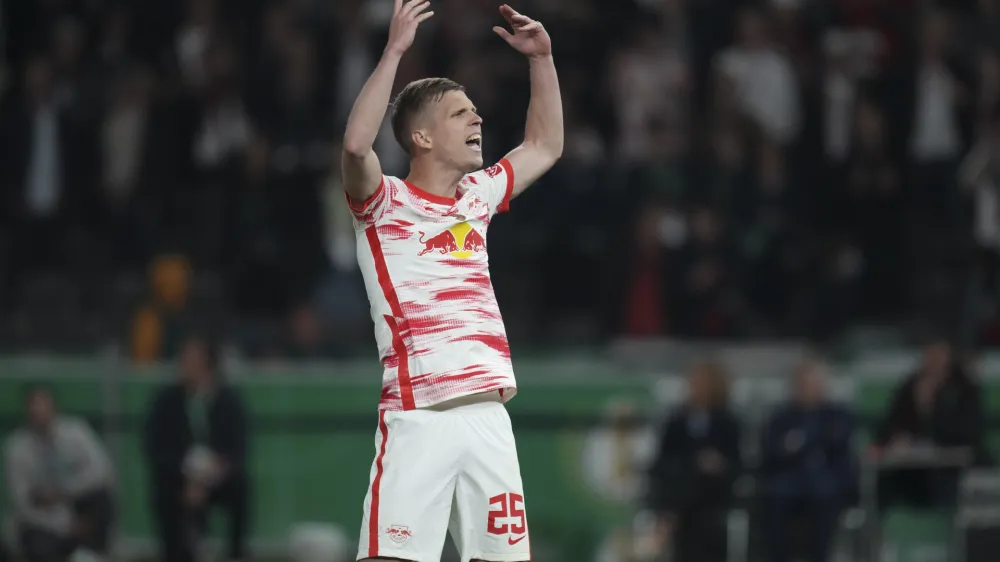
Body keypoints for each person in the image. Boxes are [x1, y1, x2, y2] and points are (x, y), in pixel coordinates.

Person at [340, 1, 563, 560]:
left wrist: (543, 61)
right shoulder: (382, 203)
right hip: (419, 418)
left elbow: (544, 146)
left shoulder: (476, 197)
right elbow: (354, 147)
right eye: (461, 113)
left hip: (489, 417)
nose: (478, 120)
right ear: (421, 137)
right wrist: (394, 50)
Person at [143, 335, 250, 562]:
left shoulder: (229, 401)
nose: (185, 364)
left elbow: (238, 447)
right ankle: (177, 554)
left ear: (208, 363)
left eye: (192, 359)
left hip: (217, 476)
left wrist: (216, 470)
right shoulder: (167, 401)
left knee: (242, 485)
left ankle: (235, 553)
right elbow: (154, 445)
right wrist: (187, 474)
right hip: (179, 476)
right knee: (164, 491)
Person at [3, 385, 115, 562]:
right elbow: (22, 504)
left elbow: (102, 471)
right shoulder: (17, 449)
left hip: (77, 508)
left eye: (44, 407)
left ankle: (91, 555)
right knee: (36, 542)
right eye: (34, 409)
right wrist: (64, 525)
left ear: (54, 408)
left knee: (101, 497)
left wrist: (63, 491)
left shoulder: (76, 432)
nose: (40, 414)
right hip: (44, 523)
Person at [872, 339, 986, 510]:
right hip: (916, 468)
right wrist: (895, 440)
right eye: (929, 353)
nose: (934, 360)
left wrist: (930, 410)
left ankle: (953, 531)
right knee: (883, 484)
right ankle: (876, 532)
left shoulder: (964, 388)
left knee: (953, 488)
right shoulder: (910, 386)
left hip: (954, 468)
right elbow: (890, 424)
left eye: (939, 353)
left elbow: (968, 433)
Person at [761, 358, 857, 562]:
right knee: (774, 495)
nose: (809, 390)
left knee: (824, 492)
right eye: (804, 385)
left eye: (814, 384)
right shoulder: (781, 416)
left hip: (827, 482)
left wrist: (801, 441)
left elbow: (837, 440)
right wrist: (811, 440)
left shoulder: (837, 413)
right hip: (789, 480)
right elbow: (774, 449)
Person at [647, 361, 742, 562]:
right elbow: (662, 459)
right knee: (684, 476)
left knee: (694, 486)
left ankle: (668, 520)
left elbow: (737, 461)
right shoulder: (676, 420)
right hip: (682, 483)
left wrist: (717, 463)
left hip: (715, 490)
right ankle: (672, 517)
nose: (694, 386)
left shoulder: (728, 421)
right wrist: (693, 462)